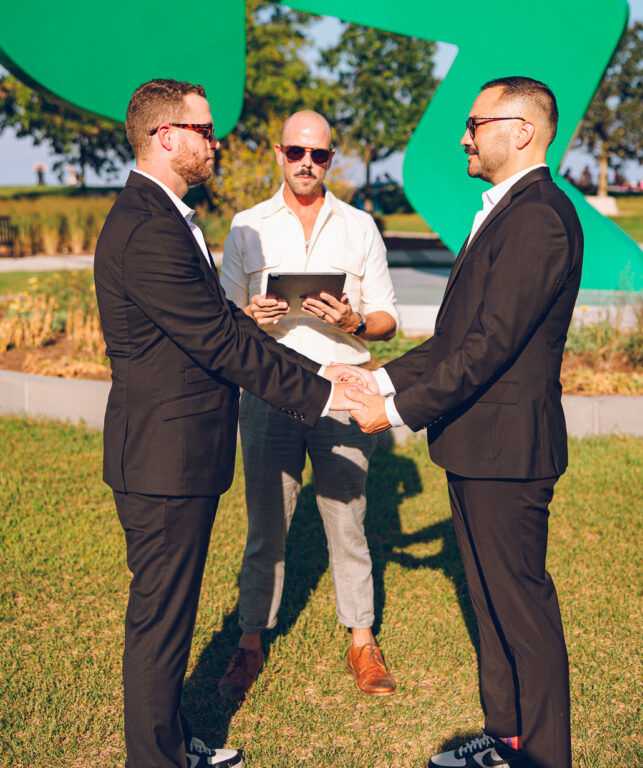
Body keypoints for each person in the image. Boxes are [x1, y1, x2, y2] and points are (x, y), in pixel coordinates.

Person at [94, 80, 358, 768]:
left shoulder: (165, 214)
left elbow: (202, 329)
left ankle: (172, 745)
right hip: (163, 454)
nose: (216, 141)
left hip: (174, 449)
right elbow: (216, 343)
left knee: (169, 620)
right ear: (166, 136)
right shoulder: (149, 225)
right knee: (160, 623)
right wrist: (324, 389)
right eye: (205, 131)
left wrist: (243, 328)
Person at [345, 77, 583, 768]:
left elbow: (490, 346)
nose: (463, 135)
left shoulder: (538, 215)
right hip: (477, 445)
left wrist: (392, 413)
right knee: (490, 601)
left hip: (509, 448)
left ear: (522, 130)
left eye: (474, 122)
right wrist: (382, 378)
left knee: (522, 610)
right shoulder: (503, 210)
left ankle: (541, 757)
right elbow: (456, 337)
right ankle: (505, 737)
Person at [218, 110, 399, 698]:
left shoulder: (359, 226)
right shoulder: (247, 227)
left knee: (348, 521)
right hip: (268, 390)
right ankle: (249, 644)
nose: (306, 164)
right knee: (267, 524)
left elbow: (388, 320)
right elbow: (217, 323)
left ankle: (362, 642)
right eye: (297, 152)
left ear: (331, 158)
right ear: (279, 152)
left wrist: (353, 320)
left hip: (343, 392)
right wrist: (249, 315)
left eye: (318, 155)